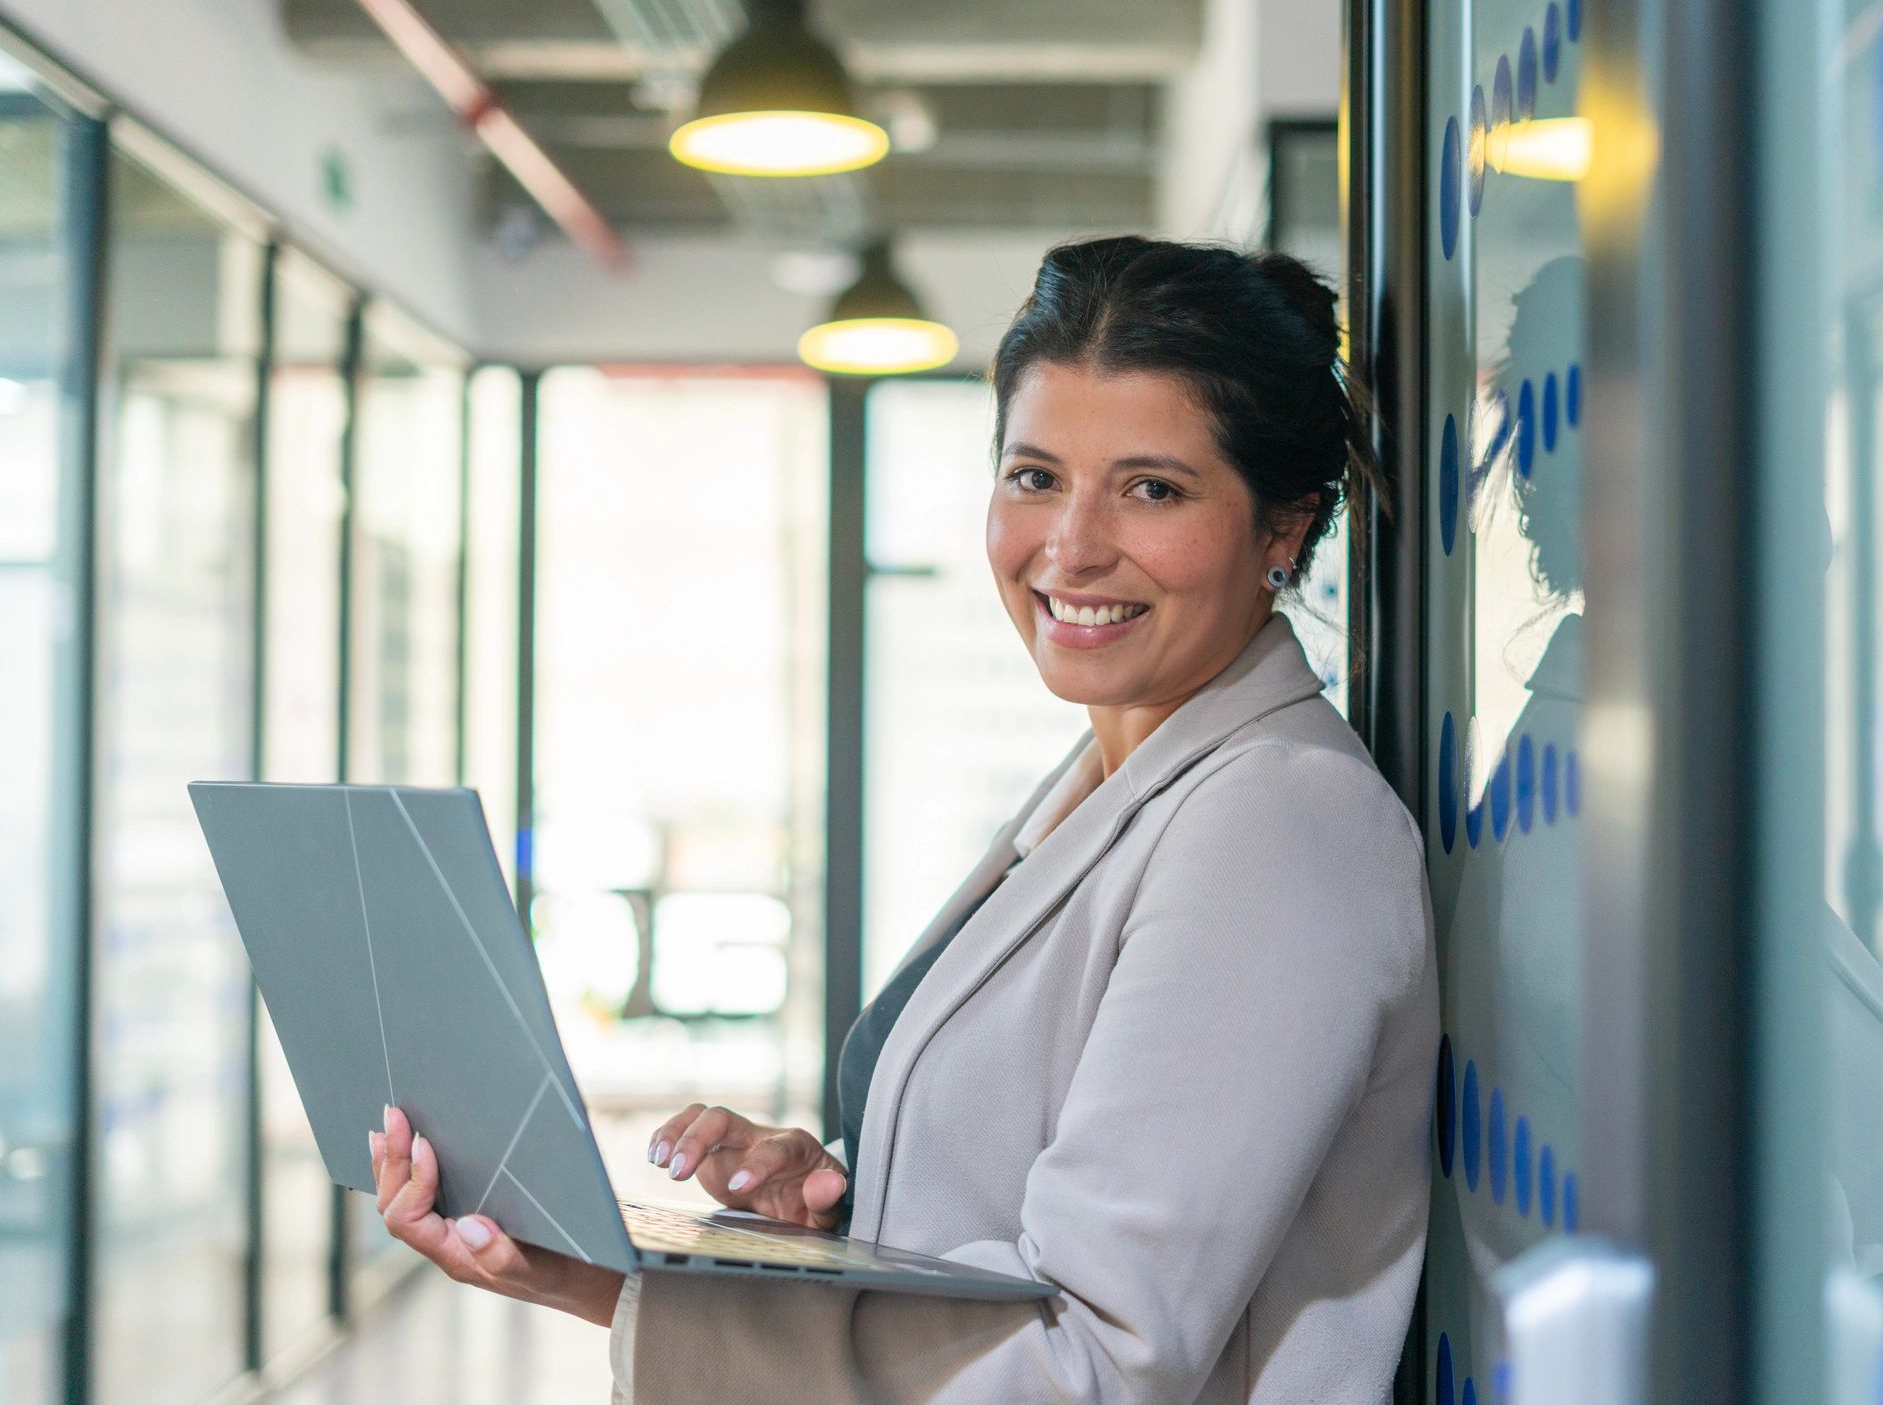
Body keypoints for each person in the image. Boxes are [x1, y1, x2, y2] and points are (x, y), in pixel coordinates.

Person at [368, 235, 1440, 1402]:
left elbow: (1093, 1360)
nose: (1070, 547)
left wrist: (625, 1298)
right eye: (1034, 476)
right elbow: (1027, 1228)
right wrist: (835, 1203)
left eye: (1151, 489)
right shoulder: (1115, 780)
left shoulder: (1276, 828)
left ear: (1282, 528)